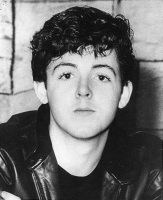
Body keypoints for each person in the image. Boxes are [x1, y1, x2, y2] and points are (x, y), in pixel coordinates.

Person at [0, 6, 162, 200]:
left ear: (124, 93)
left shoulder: (153, 167)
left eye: (101, 77)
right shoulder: (4, 157)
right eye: (67, 75)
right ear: (42, 89)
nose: (83, 90)